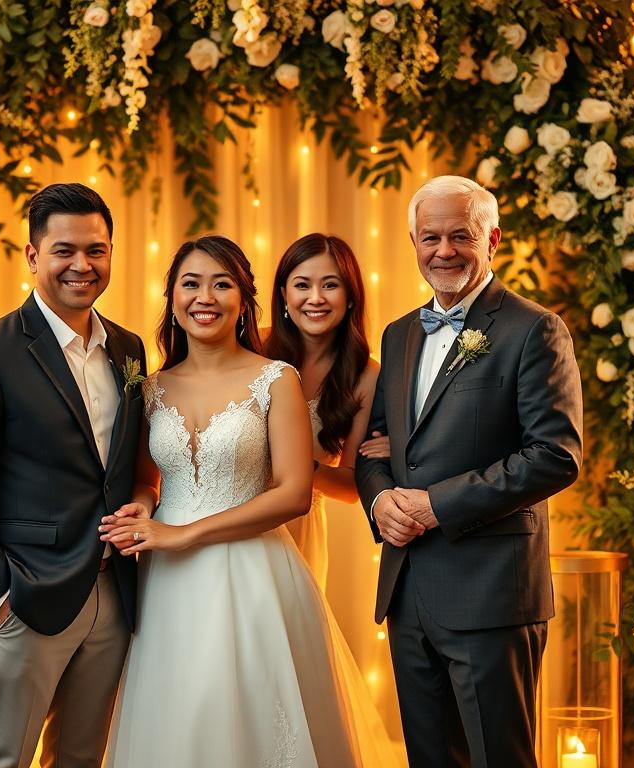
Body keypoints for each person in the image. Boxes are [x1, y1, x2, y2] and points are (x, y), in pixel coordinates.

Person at [99, 236, 403, 767]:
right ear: (170, 296)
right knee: (178, 713)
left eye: (222, 284)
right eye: (190, 284)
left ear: (244, 299)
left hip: (254, 569)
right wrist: (145, 507)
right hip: (166, 579)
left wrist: (182, 533)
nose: (205, 297)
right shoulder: (151, 387)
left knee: (247, 710)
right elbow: (150, 479)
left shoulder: (274, 378)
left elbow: (294, 494)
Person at [356, 175, 583, 767]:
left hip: (492, 597)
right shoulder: (399, 334)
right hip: (409, 594)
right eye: (430, 237)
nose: (444, 251)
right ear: (413, 242)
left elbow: (555, 455)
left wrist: (436, 505)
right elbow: (376, 447)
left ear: (493, 240)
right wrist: (381, 504)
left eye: (462, 236)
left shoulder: (535, 328)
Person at [0, 183, 146, 768]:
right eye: (64, 250)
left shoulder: (128, 348)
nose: (83, 265)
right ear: (32, 256)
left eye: (97, 250)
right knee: (2, 758)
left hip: (113, 594)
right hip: (26, 595)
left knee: (80, 759)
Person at [264, 232, 387, 588]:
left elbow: (351, 486)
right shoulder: (253, 347)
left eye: (330, 285)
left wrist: (301, 465)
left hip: (299, 527)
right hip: (231, 512)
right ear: (284, 295)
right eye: (302, 285)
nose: (315, 298)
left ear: (350, 297)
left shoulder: (366, 374)